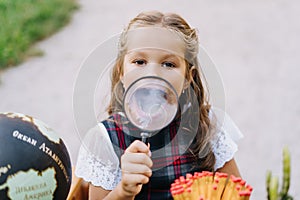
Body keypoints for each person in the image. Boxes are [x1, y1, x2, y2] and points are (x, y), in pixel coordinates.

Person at [75, 11, 243, 200]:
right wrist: (124, 190)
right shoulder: (104, 140)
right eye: (139, 61)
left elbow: (236, 194)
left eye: (169, 64)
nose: (153, 73)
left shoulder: (208, 125)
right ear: (121, 72)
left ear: (188, 77)